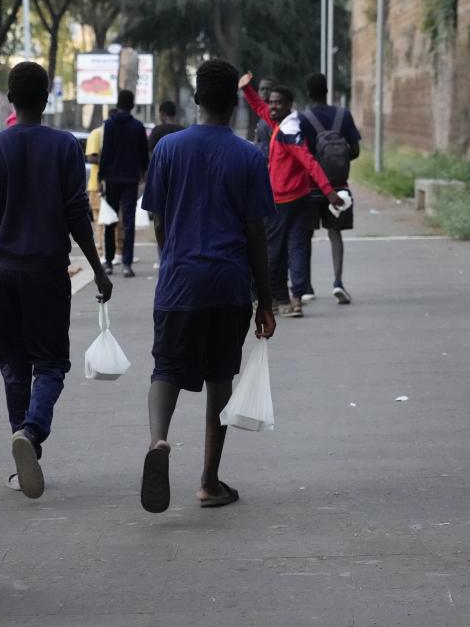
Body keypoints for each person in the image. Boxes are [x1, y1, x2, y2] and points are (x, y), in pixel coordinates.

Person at [0, 62, 113, 500]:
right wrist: (98, 268)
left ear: (9, 98)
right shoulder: (65, 146)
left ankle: (20, 447)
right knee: (50, 364)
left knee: (13, 364)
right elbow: (76, 215)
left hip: (5, 274)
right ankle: (30, 432)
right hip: (48, 273)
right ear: (47, 98)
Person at [139, 59, 276, 514]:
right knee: (220, 376)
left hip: (179, 283)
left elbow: (157, 217)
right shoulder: (249, 156)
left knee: (167, 369)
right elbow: (257, 232)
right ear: (235, 103)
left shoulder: (167, 149)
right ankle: (208, 481)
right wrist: (266, 299)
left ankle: (159, 441)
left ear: (195, 100)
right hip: (229, 286)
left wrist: (171, 260)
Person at [240, 72, 343, 318]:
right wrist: (248, 89)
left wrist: (329, 192)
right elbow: (262, 110)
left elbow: (309, 162)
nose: (272, 106)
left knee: (275, 251)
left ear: (289, 105)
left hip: (284, 201)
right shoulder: (281, 123)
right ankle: (293, 300)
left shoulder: (289, 132)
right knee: (295, 248)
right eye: (272, 102)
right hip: (297, 198)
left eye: (278, 103)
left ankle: (279, 300)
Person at [299, 72, 361, 304]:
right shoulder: (343, 115)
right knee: (335, 234)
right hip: (339, 187)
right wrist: (337, 161)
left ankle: (306, 286)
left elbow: (300, 153)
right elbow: (354, 150)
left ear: (308, 92)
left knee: (305, 236)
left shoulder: (303, 118)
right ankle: (338, 282)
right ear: (327, 91)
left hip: (311, 187)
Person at [99, 89, 149, 278]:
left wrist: (101, 176)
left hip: (112, 178)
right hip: (130, 178)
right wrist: (143, 172)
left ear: (118, 103)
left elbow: (106, 151)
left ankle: (109, 263)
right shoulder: (137, 126)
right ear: (132, 105)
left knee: (110, 219)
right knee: (128, 221)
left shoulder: (109, 125)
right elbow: (143, 152)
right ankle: (127, 263)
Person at [85, 115, 106, 253]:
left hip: (107, 183)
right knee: (99, 219)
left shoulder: (107, 133)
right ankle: (100, 249)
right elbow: (91, 157)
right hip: (96, 184)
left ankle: (114, 250)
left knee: (107, 219)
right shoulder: (96, 133)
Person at [254, 76, 277, 161]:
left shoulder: (276, 116)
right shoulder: (262, 115)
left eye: (268, 89)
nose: (264, 92)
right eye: (262, 89)